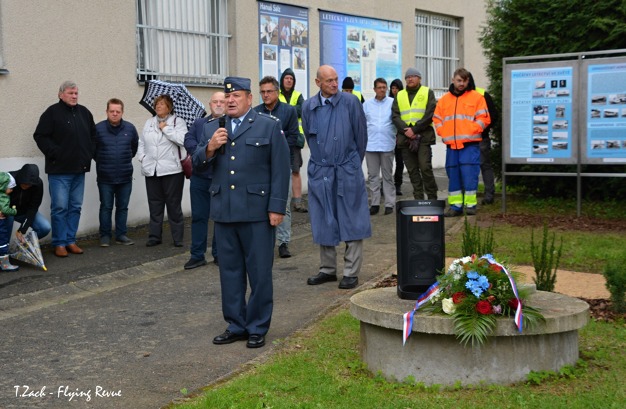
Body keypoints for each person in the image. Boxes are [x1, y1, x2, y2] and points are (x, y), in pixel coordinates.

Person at [192, 76, 290, 349]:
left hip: (257, 212)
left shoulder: (268, 126)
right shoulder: (213, 127)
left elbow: (280, 170)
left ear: (249, 99)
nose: (230, 101)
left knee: (259, 273)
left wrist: (276, 207)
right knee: (230, 273)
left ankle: (257, 326)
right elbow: (197, 166)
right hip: (224, 211)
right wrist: (210, 147)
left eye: (236, 96)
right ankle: (236, 324)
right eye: (227, 97)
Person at [302, 65, 371, 290]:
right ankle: (327, 269)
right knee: (324, 218)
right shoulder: (308, 107)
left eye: (336, 80)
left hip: (346, 168)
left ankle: (351, 272)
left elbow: (361, 137)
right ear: (317, 82)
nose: (334, 84)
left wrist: (351, 164)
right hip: (321, 170)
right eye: (329, 80)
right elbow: (311, 140)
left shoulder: (350, 103)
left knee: (352, 218)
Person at [33, 80, 96, 258]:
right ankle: (59, 243)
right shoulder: (52, 113)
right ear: (61, 94)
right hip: (59, 171)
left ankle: (70, 240)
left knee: (75, 207)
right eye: (70, 93)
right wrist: (55, 152)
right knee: (60, 208)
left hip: (79, 170)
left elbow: (93, 136)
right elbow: (40, 136)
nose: (74, 96)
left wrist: (89, 153)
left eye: (76, 93)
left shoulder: (84, 113)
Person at [433, 68, 491, 217]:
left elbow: (484, 118)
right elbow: (437, 119)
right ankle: (455, 206)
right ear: (453, 80)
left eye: (465, 81)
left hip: (469, 144)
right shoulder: (445, 100)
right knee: (453, 175)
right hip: (452, 146)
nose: (462, 83)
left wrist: (472, 129)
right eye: (459, 80)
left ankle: (470, 205)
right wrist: (443, 132)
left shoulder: (477, 98)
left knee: (470, 174)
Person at [254, 76, 299, 259]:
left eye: (269, 91)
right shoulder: (256, 112)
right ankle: (265, 242)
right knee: (262, 204)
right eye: (262, 92)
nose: (265, 95)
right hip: (261, 166)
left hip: (282, 164)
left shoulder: (288, 111)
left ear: (277, 92)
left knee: (283, 203)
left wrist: (275, 146)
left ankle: (283, 242)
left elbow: (293, 136)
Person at [136, 94, 188, 247]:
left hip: (172, 170)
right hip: (152, 169)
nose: (158, 106)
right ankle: (154, 236)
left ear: (169, 107)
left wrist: (166, 128)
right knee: (155, 204)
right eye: (157, 104)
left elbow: (182, 140)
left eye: (162, 104)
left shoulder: (178, 122)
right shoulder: (149, 122)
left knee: (173, 205)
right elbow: (141, 142)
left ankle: (177, 238)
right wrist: (142, 157)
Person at [183, 91, 224, 269]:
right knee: (199, 218)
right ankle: (197, 255)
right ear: (210, 104)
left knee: (220, 219)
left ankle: (219, 253)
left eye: (222, 101)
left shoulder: (230, 124)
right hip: (200, 178)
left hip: (219, 178)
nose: (219, 104)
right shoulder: (199, 123)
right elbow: (188, 139)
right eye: (215, 101)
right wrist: (202, 149)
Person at [94, 98, 139, 247]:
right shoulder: (98, 129)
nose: (114, 114)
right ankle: (105, 236)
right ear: (106, 112)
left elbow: (134, 148)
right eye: (111, 111)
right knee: (106, 207)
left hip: (125, 176)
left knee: (122, 207)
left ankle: (121, 235)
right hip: (105, 177)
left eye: (117, 111)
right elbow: (93, 151)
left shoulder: (130, 129)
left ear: (122, 112)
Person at [391, 68, 438, 200]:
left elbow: (430, 114)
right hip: (405, 138)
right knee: (412, 171)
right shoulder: (399, 95)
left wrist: (415, 129)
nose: (410, 79)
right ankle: (418, 197)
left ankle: (432, 197)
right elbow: (395, 115)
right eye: (407, 77)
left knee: (425, 167)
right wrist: (406, 130)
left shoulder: (427, 92)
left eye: (413, 76)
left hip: (423, 136)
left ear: (419, 78)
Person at [363, 78, 396, 215]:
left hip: (387, 144)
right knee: (373, 176)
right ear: (374, 89)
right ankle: (375, 203)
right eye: (379, 87)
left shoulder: (393, 103)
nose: (382, 89)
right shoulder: (367, 104)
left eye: (384, 87)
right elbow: (362, 123)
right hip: (371, 145)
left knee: (388, 176)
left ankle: (389, 203)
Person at [279, 68, 308, 213]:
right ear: (282, 80)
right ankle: (282, 201)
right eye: (286, 78)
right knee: (280, 171)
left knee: (295, 170)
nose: (289, 80)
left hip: (295, 139)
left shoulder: (298, 95)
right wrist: (291, 110)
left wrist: (285, 109)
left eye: (291, 78)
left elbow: (302, 110)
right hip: (279, 138)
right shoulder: (276, 94)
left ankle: (297, 202)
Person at [468, 73, 499, 205]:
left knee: (484, 165)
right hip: (465, 139)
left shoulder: (482, 94)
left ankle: (489, 194)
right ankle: (470, 196)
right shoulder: (459, 96)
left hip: (481, 137)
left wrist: (483, 130)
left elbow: (493, 115)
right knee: (468, 167)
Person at [2, 164, 51, 242]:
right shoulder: (9, 178)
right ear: (20, 177)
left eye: (30, 184)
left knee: (45, 227)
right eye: (25, 183)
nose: (27, 186)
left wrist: (22, 229)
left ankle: (22, 247)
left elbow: (33, 208)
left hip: (25, 212)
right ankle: (4, 250)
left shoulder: (38, 184)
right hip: (7, 211)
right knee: (7, 223)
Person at [0, 172, 19, 271]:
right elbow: (5, 210)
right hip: (1, 223)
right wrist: (13, 211)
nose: (11, 190)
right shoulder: (2, 197)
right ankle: (4, 264)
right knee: (3, 241)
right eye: (10, 188)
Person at [389, 78, 405, 196]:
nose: (394, 91)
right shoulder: (387, 101)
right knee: (387, 163)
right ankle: (386, 184)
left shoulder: (403, 101)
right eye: (393, 88)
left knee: (400, 162)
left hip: (400, 136)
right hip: (389, 135)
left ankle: (398, 184)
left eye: (396, 88)